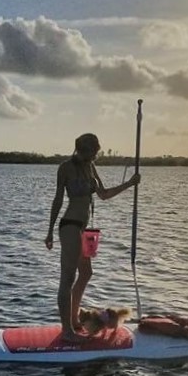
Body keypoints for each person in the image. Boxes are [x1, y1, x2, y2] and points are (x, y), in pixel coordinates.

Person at [45, 133, 140, 342]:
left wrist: (130, 184)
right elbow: (58, 199)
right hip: (69, 226)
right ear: (81, 150)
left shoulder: (90, 168)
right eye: (92, 152)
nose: (95, 155)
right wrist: (50, 231)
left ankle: (74, 318)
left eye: (96, 152)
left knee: (86, 273)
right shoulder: (65, 168)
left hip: (84, 229)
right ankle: (67, 331)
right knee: (67, 278)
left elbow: (103, 194)